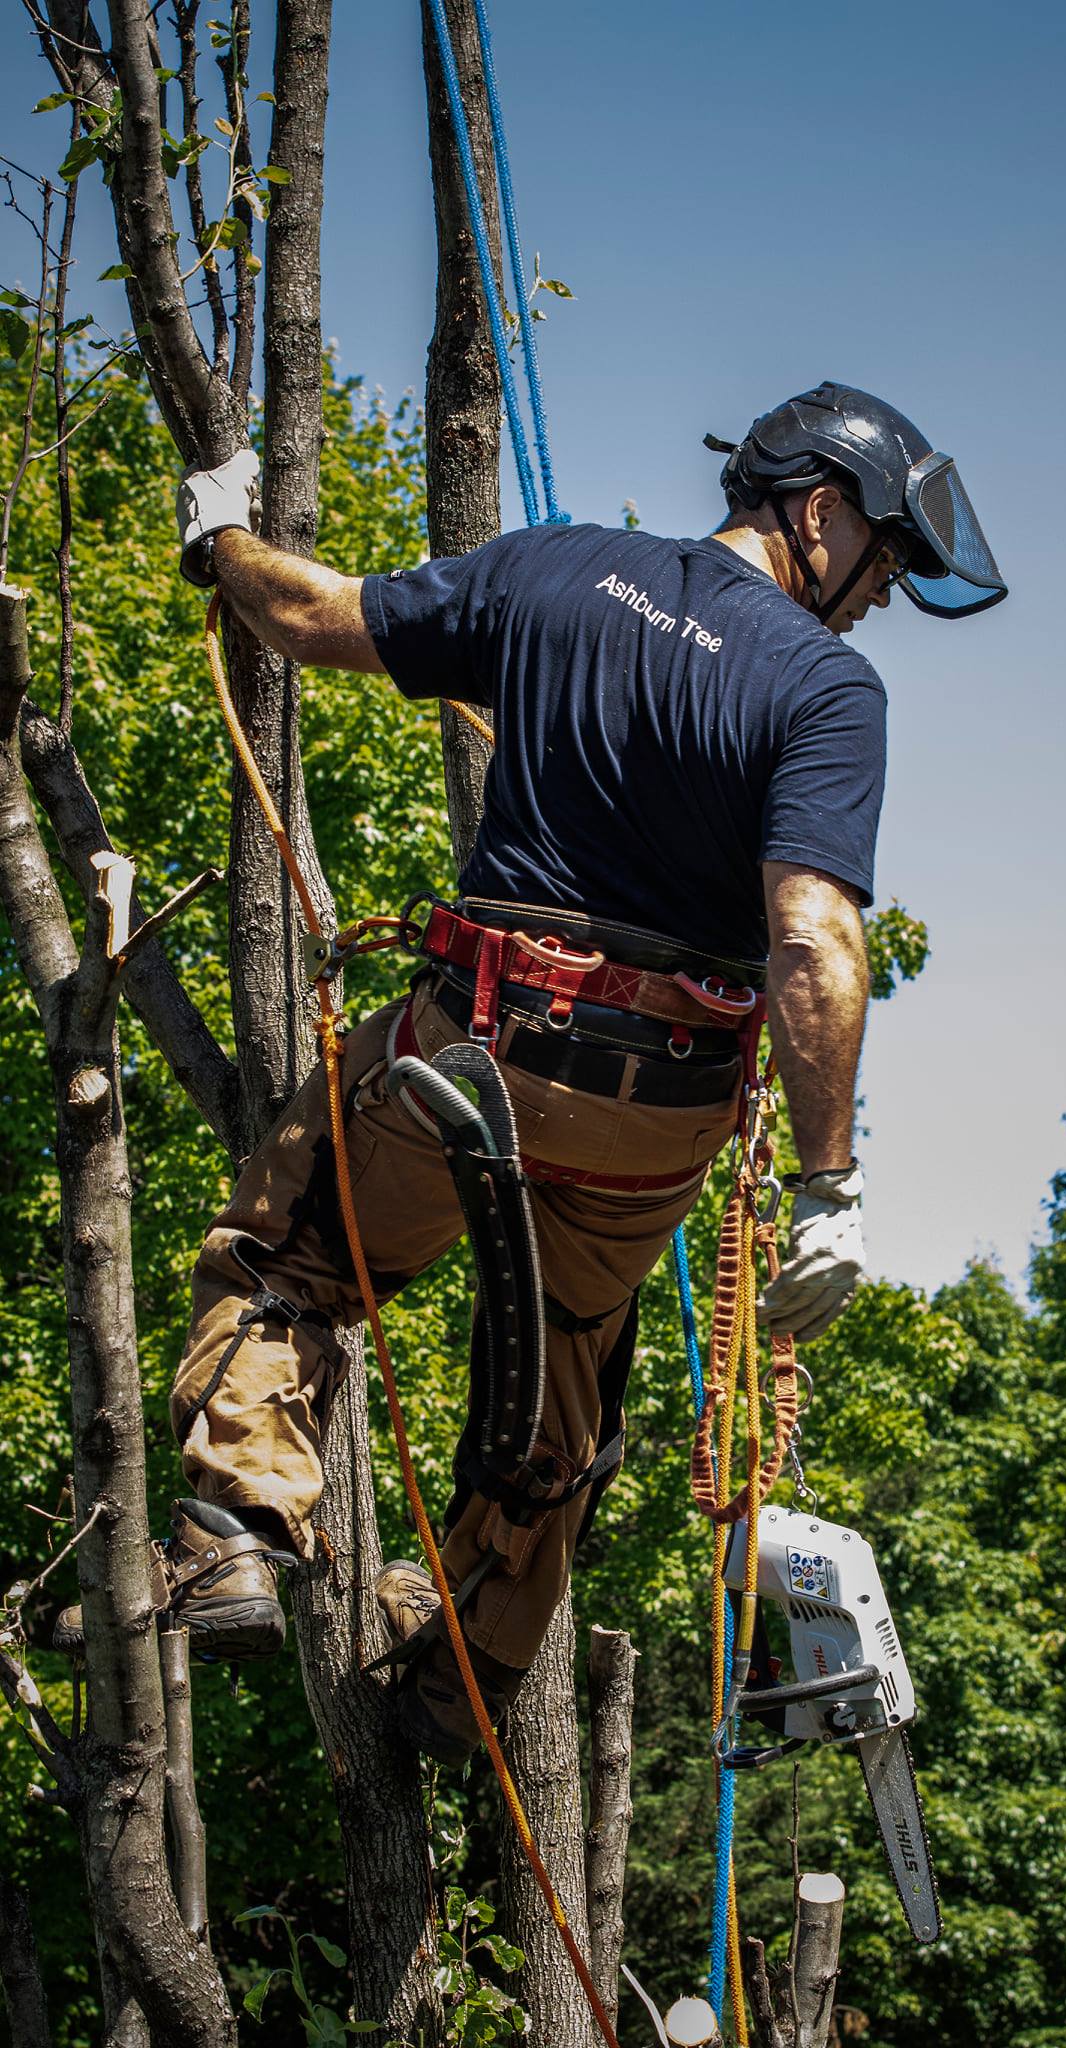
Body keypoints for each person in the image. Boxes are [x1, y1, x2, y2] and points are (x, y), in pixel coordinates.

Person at [57, 382, 1006, 1764]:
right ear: (815, 511)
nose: (877, 603)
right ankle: (462, 1679)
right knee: (569, 1370)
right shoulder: (820, 689)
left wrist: (222, 544)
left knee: (291, 1256)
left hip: (481, 1052)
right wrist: (828, 1187)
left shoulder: (559, 568)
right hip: (655, 1119)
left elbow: (312, 616)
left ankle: (231, 1540)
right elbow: (810, 931)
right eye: (883, 565)